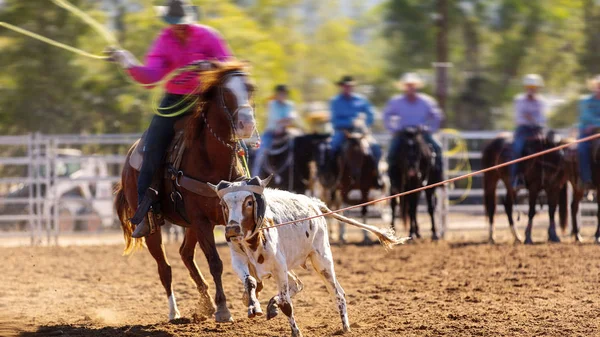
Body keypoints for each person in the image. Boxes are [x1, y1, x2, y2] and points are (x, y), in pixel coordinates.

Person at [107, 0, 231, 238]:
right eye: (174, 23)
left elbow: (229, 64)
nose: (178, 27)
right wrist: (128, 62)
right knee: (151, 147)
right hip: (174, 101)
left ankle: (249, 196)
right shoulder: (164, 40)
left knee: (235, 138)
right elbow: (151, 76)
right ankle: (146, 211)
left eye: (181, 23)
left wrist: (210, 65)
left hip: (206, 99)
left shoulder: (208, 36)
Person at [383, 73, 444, 184]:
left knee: (437, 147)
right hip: (403, 132)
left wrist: (431, 129)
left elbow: (437, 115)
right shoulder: (397, 101)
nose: (410, 87)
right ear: (404, 87)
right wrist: (393, 129)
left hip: (421, 132)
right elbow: (386, 115)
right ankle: (391, 178)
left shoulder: (426, 101)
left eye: (412, 85)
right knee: (391, 151)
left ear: (416, 86)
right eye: (408, 85)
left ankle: (439, 177)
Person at [329, 75, 382, 186]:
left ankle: (376, 175)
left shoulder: (361, 100)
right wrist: (350, 122)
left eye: (350, 86)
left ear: (353, 87)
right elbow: (334, 120)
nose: (347, 88)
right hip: (343, 131)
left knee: (375, 148)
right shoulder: (335, 101)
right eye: (345, 86)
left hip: (360, 131)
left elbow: (371, 114)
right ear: (341, 87)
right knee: (332, 148)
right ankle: (333, 177)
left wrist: (365, 124)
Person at [511, 74, 547, 190]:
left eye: (534, 87)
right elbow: (520, 116)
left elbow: (542, 118)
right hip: (523, 129)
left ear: (537, 88)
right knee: (518, 149)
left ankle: (550, 177)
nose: (531, 89)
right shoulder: (519, 100)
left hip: (538, 129)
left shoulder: (541, 101)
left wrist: (531, 117)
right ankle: (516, 178)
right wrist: (533, 118)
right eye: (529, 87)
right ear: (526, 88)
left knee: (550, 147)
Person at [252, 84, 297, 176]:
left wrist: (287, 120)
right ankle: (254, 176)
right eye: (281, 94)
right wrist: (286, 120)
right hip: (271, 133)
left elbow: (293, 117)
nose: (283, 96)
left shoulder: (290, 104)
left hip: (286, 132)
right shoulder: (272, 104)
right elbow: (277, 118)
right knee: (260, 153)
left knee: (298, 145)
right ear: (276, 94)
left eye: (284, 94)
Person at [578, 75, 600, 190]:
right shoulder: (585, 101)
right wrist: (596, 124)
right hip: (587, 133)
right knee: (582, 149)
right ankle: (586, 180)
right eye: (599, 86)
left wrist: (597, 124)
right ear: (594, 87)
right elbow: (586, 117)